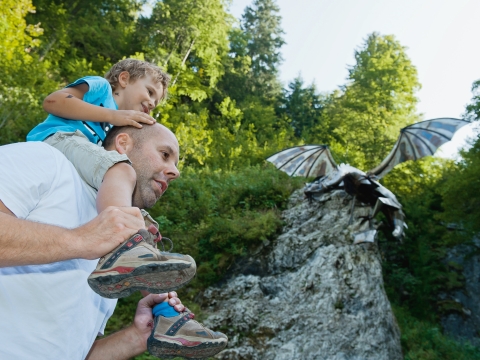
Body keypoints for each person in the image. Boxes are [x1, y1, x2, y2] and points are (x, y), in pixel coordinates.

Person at [0, 123, 227, 359]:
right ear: (123, 144)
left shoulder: (122, 255)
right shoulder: (46, 160)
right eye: (165, 154)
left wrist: (136, 337)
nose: (175, 172)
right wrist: (80, 240)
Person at [26, 59, 188, 298]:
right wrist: (113, 115)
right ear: (123, 80)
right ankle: (123, 246)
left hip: (74, 156)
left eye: (156, 102)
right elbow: (53, 101)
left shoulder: (106, 135)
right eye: (150, 91)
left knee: (141, 220)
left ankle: (163, 309)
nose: (152, 102)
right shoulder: (101, 89)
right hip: (58, 137)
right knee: (121, 169)